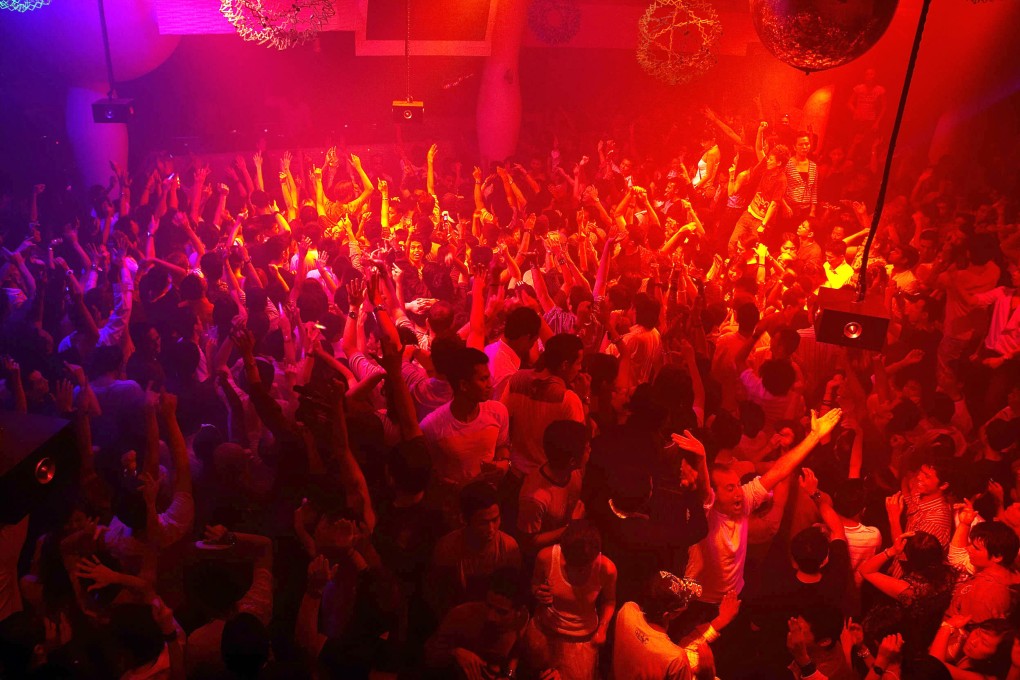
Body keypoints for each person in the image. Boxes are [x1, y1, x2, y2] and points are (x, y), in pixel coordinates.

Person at [523, 520, 617, 680]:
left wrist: (603, 627)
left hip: (582, 640)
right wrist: (538, 592)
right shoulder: (546, 557)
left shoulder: (607, 569)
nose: (578, 570)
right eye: (571, 564)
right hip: (545, 631)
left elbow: (609, 601)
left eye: (585, 565)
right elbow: (534, 585)